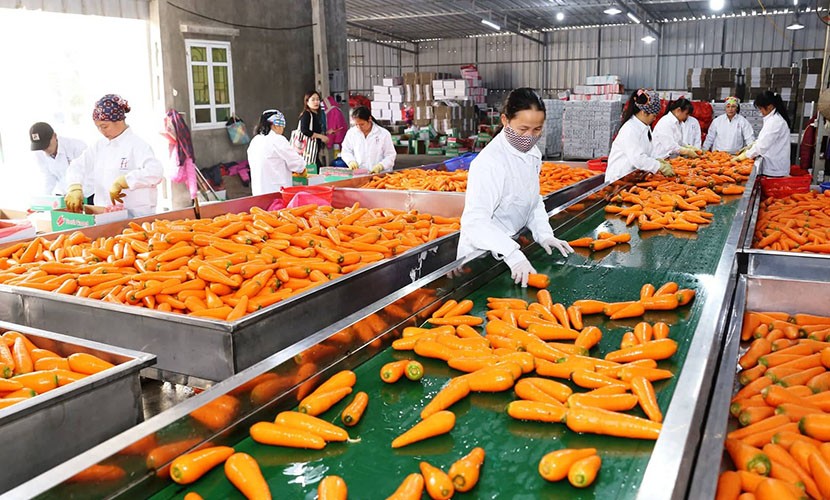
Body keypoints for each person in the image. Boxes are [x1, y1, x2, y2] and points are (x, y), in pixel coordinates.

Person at [458, 88, 573, 288]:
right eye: (523, 129)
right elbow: (474, 223)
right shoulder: (489, 163)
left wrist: (544, 234)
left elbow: (532, 201)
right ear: (505, 120)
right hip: (481, 257)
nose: (529, 136)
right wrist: (512, 253)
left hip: (513, 250)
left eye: (537, 130)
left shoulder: (533, 155)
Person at [65, 94, 163, 218]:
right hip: (104, 214)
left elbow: (156, 171)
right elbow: (77, 166)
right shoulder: (99, 146)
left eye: (104, 126)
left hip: (135, 216)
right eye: (98, 127)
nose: (101, 131)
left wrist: (125, 181)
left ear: (119, 120)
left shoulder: (138, 145)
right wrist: (75, 187)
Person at [605, 89, 674, 183]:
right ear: (643, 112)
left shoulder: (645, 127)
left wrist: (658, 160)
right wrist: (659, 166)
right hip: (619, 178)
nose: (654, 119)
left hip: (632, 176)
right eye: (653, 116)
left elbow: (648, 151)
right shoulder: (629, 129)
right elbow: (638, 159)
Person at [732, 91, 792, 177]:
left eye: (761, 109)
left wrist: (745, 155)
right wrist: (752, 146)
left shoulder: (775, 121)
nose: (760, 112)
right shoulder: (773, 118)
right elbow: (765, 139)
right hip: (772, 165)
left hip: (775, 168)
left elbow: (762, 146)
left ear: (770, 107)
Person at [247, 109, 307, 195]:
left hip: (258, 193)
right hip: (276, 192)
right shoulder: (278, 140)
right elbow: (298, 164)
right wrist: (303, 168)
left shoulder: (255, 141)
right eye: (282, 126)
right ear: (275, 125)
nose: (283, 129)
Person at [29, 122, 92, 201]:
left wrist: (75, 191)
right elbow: (48, 177)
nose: (45, 150)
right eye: (41, 147)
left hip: (87, 192)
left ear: (54, 136)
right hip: (65, 195)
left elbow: (86, 174)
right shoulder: (39, 153)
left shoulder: (77, 147)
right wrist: (45, 200)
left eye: (46, 145)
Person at [341, 106, 396, 174]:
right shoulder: (351, 133)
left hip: (381, 174)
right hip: (359, 174)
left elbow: (390, 155)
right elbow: (346, 151)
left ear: (369, 119)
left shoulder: (383, 134)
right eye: (356, 124)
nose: (359, 127)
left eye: (362, 124)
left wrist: (381, 166)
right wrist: (351, 161)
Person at [299, 90, 329, 168]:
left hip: (313, 152)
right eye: (313, 100)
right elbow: (304, 130)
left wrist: (327, 133)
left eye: (318, 99)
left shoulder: (315, 114)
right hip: (308, 151)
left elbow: (314, 130)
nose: (316, 102)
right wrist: (321, 136)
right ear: (307, 102)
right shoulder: (307, 114)